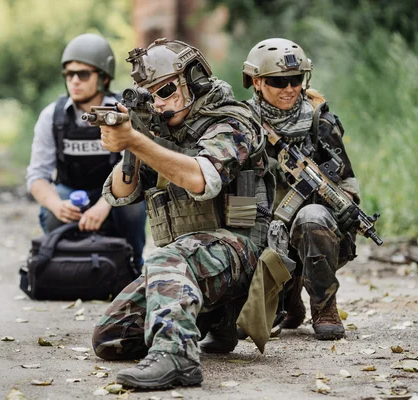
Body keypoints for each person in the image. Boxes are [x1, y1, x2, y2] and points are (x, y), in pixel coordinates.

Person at [91, 38, 276, 390]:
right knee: (111, 338)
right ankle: (209, 318)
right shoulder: (159, 134)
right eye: (149, 97)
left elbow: (201, 178)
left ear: (193, 79)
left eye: (165, 91)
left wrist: (136, 141)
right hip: (191, 264)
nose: (158, 105)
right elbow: (120, 193)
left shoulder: (231, 122)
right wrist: (131, 142)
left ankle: (177, 357)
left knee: (165, 258)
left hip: (243, 250)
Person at [242, 38, 360, 340]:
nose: (289, 89)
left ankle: (324, 304)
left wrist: (345, 205)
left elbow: (346, 181)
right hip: (256, 224)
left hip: (310, 232)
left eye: (296, 80)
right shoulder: (241, 123)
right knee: (245, 328)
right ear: (256, 81)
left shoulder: (320, 122)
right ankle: (286, 299)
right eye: (279, 81)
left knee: (313, 217)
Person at [26, 33, 146, 266]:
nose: (74, 81)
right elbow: (37, 176)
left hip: (116, 195)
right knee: (52, 207)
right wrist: (57, 206)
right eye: (69, 74)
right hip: (70, 193)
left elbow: (135, 169)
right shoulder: (52, 116)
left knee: (133, 205)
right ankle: (62, 266)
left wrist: (104, 204)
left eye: (83, 74)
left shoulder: (124, 113)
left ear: (104, 78)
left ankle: (133, 267)